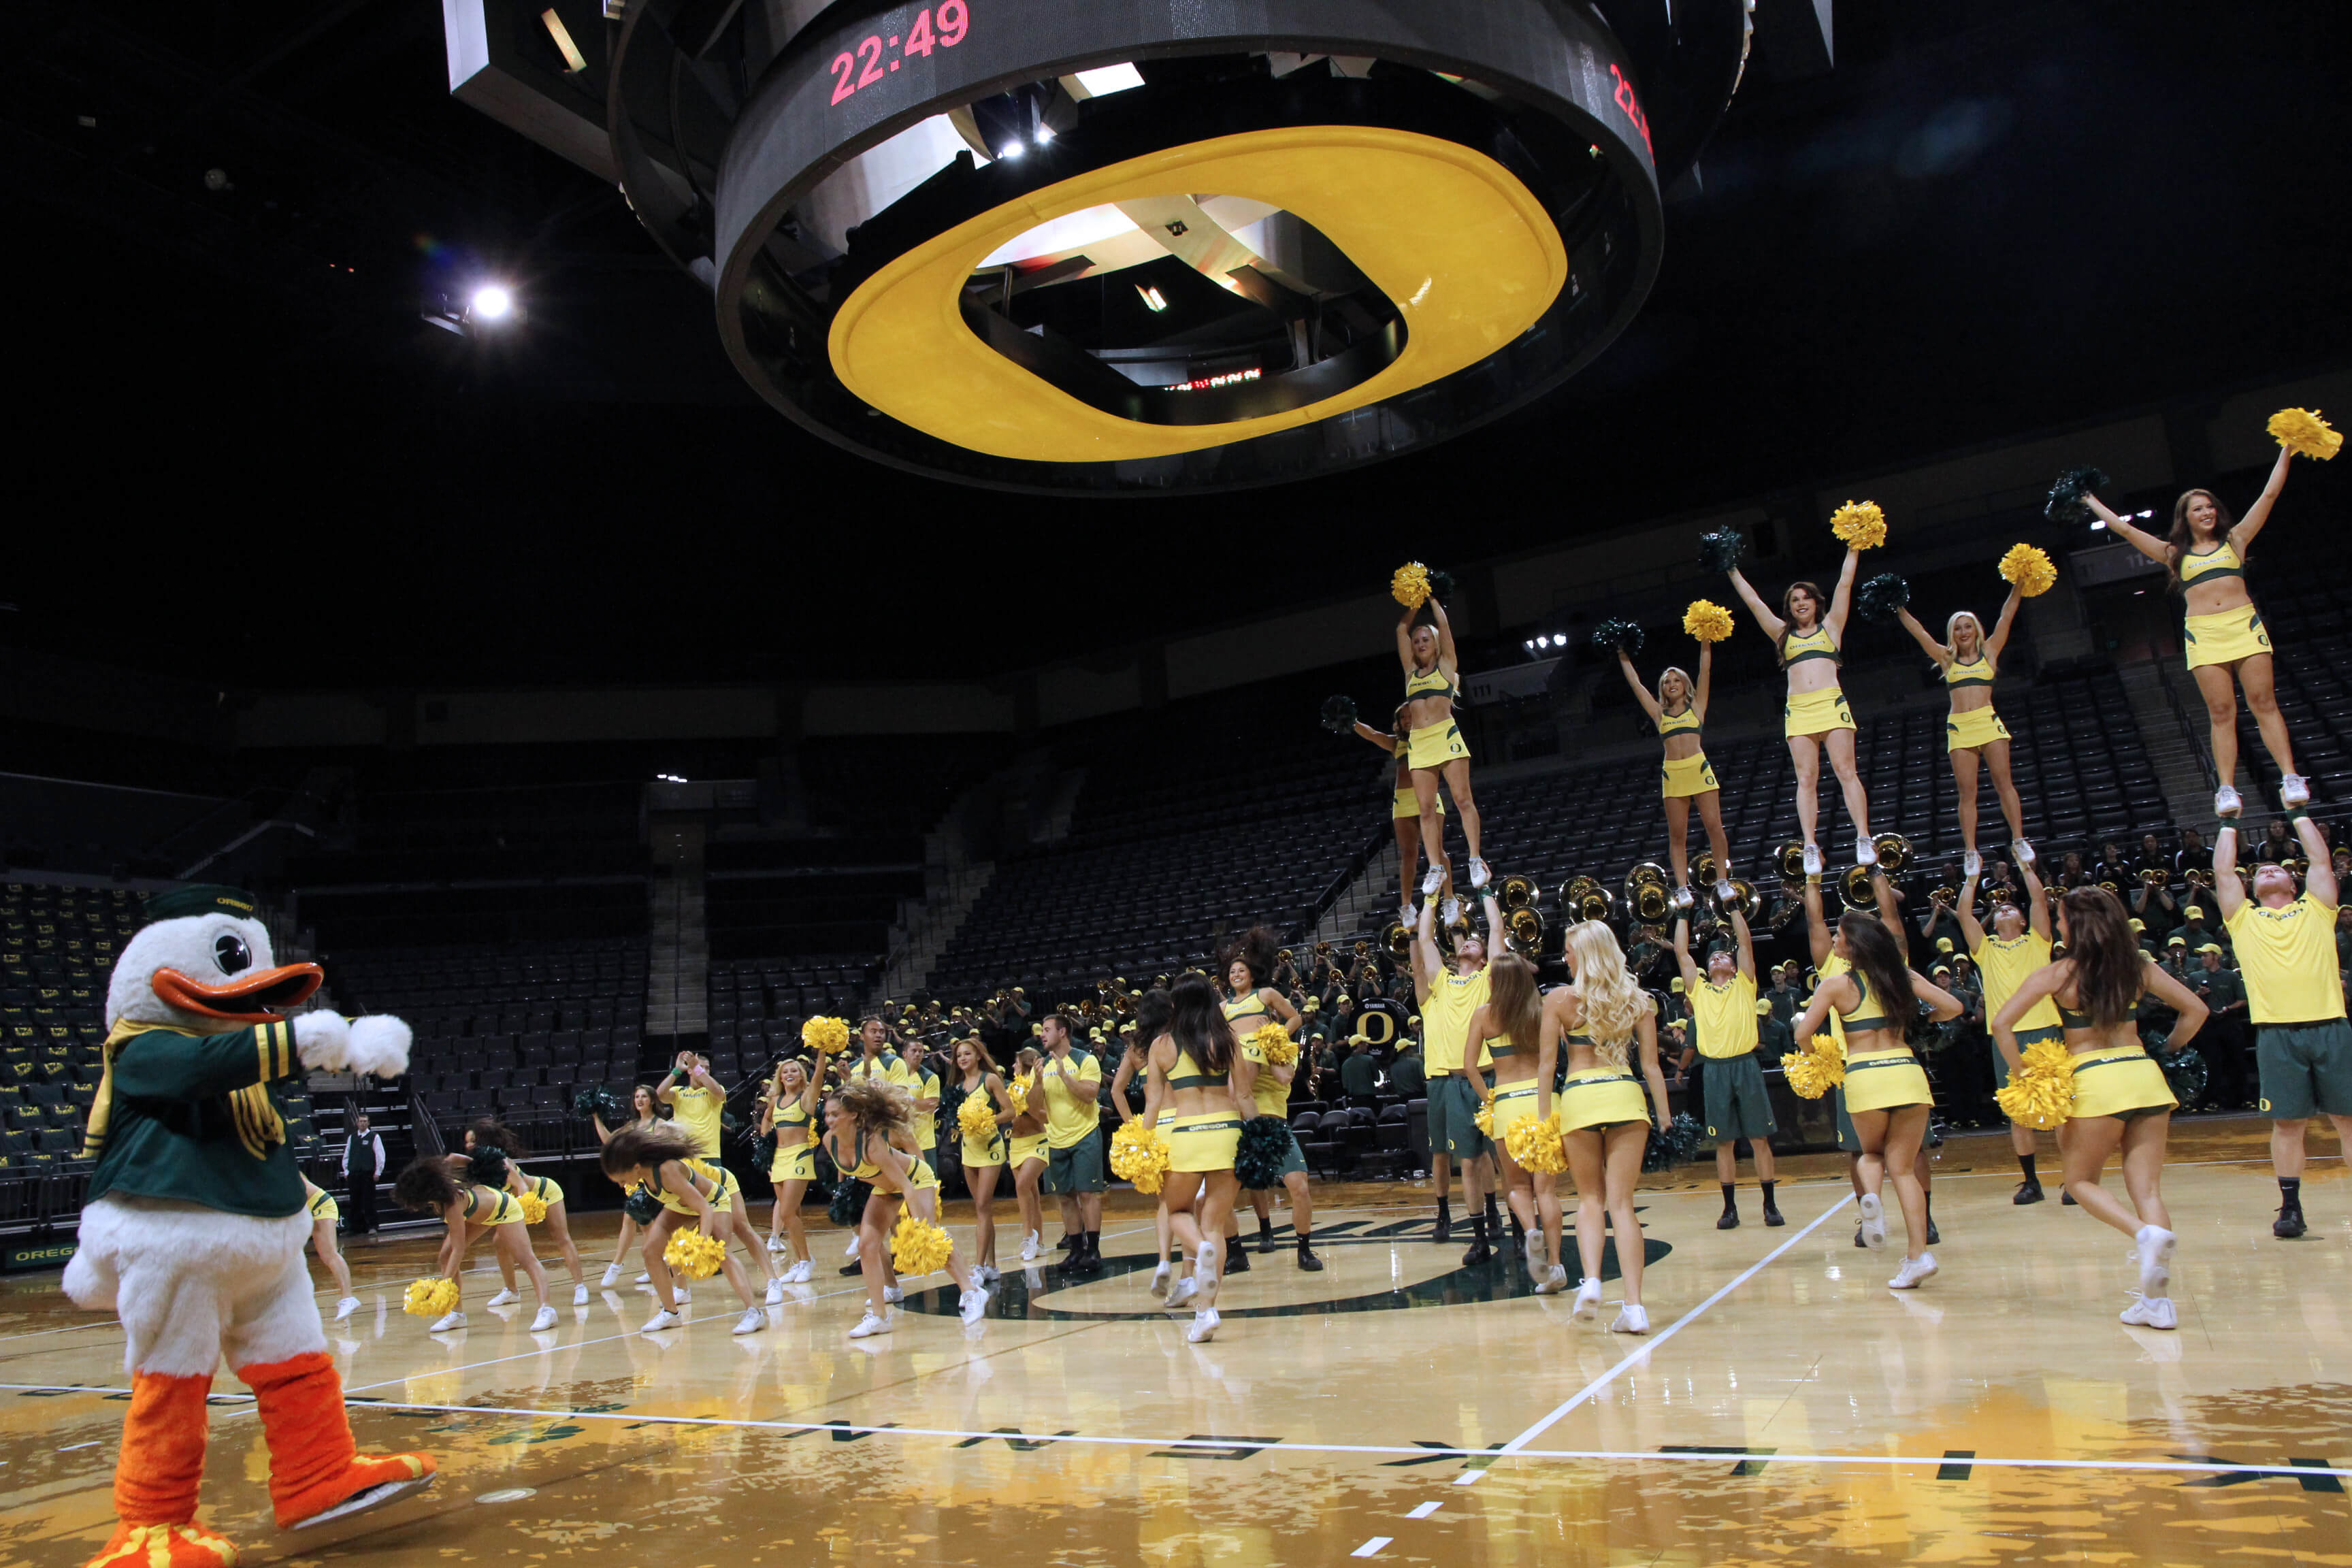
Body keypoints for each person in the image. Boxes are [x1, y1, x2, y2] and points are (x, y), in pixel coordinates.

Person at [1992, 887, 2208, 1328]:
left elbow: (2002, 1023)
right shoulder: (2138, 968)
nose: (2057, 924)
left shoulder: (2059, 974)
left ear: (2075, 923)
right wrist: (2167, 1049)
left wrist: (2026, 1074)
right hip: (2145, 1078)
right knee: (2147, 1190)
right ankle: (2158, 1304)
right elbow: (2196, 1010)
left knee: (2080, 1181)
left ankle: (2142, 1235)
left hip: (2093, 1083)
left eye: (2061, 917)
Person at [2084, 449, 2308, 811]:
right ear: (2185, 518)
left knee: (2264, 702)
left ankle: (2290, 776)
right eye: (2198, 509)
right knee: (2221, 712)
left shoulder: (2236, 540)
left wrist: (2286, 452)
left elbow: (2269, 494)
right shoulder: (2174, 554)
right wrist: (2090, 499)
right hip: (2204, 634)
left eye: (2210, 506)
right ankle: (2226, 789)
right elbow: (2125, 528)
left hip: (2243, 625)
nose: (2207, 512)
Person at [1792, 909, 1964, 1288]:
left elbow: (1803, 1033)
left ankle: (1872, 1200)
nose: (1835, 941)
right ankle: (1919, 1256)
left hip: (1865, 1076)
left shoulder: (1835, 986)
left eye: (1839, 936)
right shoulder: (1902, 977)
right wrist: (1923, 1021)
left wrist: (1820, 1058)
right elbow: (1955, 1008)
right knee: (1903, 1168)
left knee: (1871, 1155)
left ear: (1853, 947)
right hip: (1907, 1073)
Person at [2214, 798, 2351, 1239]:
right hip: (2277, 1034)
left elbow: (2320, 859)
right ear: (2251, 889)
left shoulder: (2317, 908)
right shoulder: (2244, 920)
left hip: (2330, 1025)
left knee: (2349, 1120)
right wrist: (2227, 823)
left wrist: (2297, 814)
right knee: (2288, 1125)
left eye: (2276, 869)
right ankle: (2290, 1208)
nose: (2267, 870)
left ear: (2293, 883)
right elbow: (2222, 872)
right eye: (2259, 872)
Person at [1539, 921, 1673, 1332]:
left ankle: (1593, 1281)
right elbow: (1650, 1066)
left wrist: (1545, 1118)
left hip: (1581, 1099)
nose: (1565, 957)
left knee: (1590, 1200)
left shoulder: (1560, 1000)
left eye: (1568, 950)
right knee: (1623, 1206)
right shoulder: (1641, 1000)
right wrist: (1665, 1117)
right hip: (1626, 1097)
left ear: (1586, 954)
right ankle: (1634, 1308)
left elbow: (1548, 1065)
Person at [1726, 542, 1874, 872]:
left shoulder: (1831, 627)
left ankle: (1863, 836)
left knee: (1846, 771)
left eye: (1806, 597)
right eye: (1795, 599)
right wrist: (1731, 568)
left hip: (1831, 704)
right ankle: (1809, 844)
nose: (1801, 603)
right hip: (1799, 711)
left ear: (1815, 602)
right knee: (1806, 778)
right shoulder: (1782, 635)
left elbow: (1845, 583)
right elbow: (1752, 602)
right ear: (1789, 608)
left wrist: (1853, 546)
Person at [821, 1079, 989, 1339]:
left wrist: (919, 1225)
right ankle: (879, 1318)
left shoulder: (871, 1144)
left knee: (928, 1240)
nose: (829, 1119)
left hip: (914, 1180)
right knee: (867, 1245)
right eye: (827, 1114)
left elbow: (905, 1185)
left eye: (835, 1114)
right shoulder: (828, 1141)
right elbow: (852, 1174)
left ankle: (972, 1292)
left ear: (853, 1115)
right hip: (886, 1189)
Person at [1897, 587, 2030, 875]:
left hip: (1987, 721)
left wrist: (2019, 584)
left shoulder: (1990, 651)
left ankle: (2018, 840)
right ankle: (1971, 851)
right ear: (1952, 633)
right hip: (1960, 727)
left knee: (2004, 784)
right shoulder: (1947, 659)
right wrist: (1898, 607)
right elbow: (1919, 632)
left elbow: (2007, 615)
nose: (1963, 631)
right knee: (1967, 793)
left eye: (1968, 626)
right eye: (1957, 628)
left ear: (1976, 629)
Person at [595, 1124, 775, 1337]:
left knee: (720, 1253)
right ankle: (671, 1313)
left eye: (622, 1180)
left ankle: (754, 1313)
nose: (621, 1185)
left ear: (635, 1167)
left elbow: (704, 1209)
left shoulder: (666, 1171)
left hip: (712, 1202)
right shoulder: (643, 1175)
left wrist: (701, 1242)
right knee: (650, 1251)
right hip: (682, 1207)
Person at [1143, 974, 1246, 1343]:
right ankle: (1206, 1312)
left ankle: (1197, 1247)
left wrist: (1141, 1144)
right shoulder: (1227, 1039)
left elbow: (1154, 1103)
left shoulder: (1162, 1045)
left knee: (1177, 1212)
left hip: (1186, 1135)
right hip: (1227, 1134)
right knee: (1216, 1224)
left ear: (1177, 1005)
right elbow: (1244, 1098)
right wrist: (1263, 1136)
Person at [1958, 855, 2062, 1203]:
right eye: (1999, 908)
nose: (2004, 909)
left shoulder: (2037, 941)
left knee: (2061, 1108)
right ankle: (2032, 1182)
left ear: (2021, 919)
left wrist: (2028, 868)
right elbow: (1963, 915)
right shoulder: (1986, 949)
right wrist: (1972, 879)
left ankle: (2076, 1179)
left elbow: (2037, 900)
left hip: (2045, 1029)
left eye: (2010, 908)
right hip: (2006, 1039)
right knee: (2019, 1113)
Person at [1413, 883, 1507, 1262]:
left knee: (1503, 1157)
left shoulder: (1489, 979)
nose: (1469, 944)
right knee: (1467, 1161)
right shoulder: (1445, 983)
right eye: (1466, 943)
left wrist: (1485, 890)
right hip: (1453, 1081)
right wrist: (1431, 898)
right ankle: (1480, 1237)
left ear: (1484, 959)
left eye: (1475, 943)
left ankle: (1516, 1226)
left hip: (1489, 1076)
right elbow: (1424, 940)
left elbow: (1498, 930)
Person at [1672, 907, 1781, 1228]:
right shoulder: (1700, 989)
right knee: (1724, 1141)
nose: (1717, 958)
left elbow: (1745, 943)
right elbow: (1681, 951)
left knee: (1760, 1138)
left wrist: (1732, 907)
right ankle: (1729, 1209)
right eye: (1713, 957)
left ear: (1734, 967)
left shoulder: (1744, 984)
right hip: (1715, 1070)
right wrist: (1682, 913)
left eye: (1724, 956)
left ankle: (1769, 1205)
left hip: (1745, 1065)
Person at [1463, 952, 1565, 1293]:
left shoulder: (1483, 1016)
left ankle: (1530, 1229)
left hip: (1506, 1103)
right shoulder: (1544, 1010)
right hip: (1543, 1101)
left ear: (1494, 982)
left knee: (1516, 1187)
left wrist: (1488, 1099)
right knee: (1546, 1190)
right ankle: (1556, 1266)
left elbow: (1470, 1067)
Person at [1222, 927, 1319, 1268]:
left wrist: (1270, 1039)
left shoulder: (1267, 1003)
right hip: (1238, 1115)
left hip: (1273, 1122)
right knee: (1223, 1195)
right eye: (1232, 971)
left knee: (1300, 1187)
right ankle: (1236, 1251)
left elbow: (1286, 1071)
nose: (1236, 974)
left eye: (1241, 970)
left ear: (1251, 974)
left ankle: (1304, 1248)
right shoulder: (1223, 1010)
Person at [1616, 640, 1735, 905]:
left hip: (1698, 768)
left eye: (1676, 680)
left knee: (1714, 827)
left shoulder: (1697, 707)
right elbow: (1636, 685)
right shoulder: (1659, 714)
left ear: (1684, 684)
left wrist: (1706, 641)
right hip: (1673, 773)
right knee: (1677, 834)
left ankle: (1723, 880)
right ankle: (1682, 888)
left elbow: (1705, 672)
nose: (1671, 684)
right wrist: (1622, 654)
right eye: (1667, 681)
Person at [390, 1152, 557, 1334]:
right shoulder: (440, 1187)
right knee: (444, 1257)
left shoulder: (451, 1203)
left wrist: (443, 1284)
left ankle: (547, 1310)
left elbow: (459, 1249)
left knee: (526, 1260)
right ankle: (457, 1315)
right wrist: (477, 1164)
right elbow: (453, 1157)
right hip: (481, 1213)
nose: (410, 1207)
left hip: (505, 1209)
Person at [1396, 590, 1488, 894]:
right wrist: (1414, 604)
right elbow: (1400, 630)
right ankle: (1435, 867)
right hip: (1419, 742)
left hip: (1445, 735)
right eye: (1417, 639)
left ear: (1435, 643)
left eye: (1426, 638)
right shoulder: (1410, 673)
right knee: (1425, 810)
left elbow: (1446, 629)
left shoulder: (1446, 666)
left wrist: (1432, 600)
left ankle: (1475, 858)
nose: (1421, 643)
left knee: (1462, 800)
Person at [465, 1121, 589, 1307]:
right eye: (467, 1142)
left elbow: (522, 1187)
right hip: (515, 1204)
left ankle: (580, 1286)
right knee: (499, 1241)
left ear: (484, 1142)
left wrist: (523, 1214)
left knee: (561, 1238)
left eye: (473, 1141)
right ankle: (511, 1291)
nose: (468, 1146)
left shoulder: (503, 1164)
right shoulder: (481, 1164)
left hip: (544, 1192)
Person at [1353, 702, 1453, 922]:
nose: (1407, 720)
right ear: (1398, 723)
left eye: (1411, 716)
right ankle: (1407, 906)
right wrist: (1352, 721)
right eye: (1403, 718)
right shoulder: (1395, 743)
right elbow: (1371, 734)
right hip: (1404, 802)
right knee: (1409, 854)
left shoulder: (1429, 736)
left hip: (1427, 797)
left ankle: (1449, 898)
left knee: (1436, 850)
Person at [1037, 1011, 1106, 1276]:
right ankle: (1075, 1250)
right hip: (1056, 1138)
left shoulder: (1085, 1059)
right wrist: (1036, 1082)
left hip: (1085, 1134)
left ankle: (1094, 1250)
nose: (1042, 1035)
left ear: (1062, 1032)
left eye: (1046, 1029)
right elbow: (1034, 1107)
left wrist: (1065, 1076)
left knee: (1088, 1194)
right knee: (1065, 1197)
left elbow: (1090, 1095)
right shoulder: (1043, 1065)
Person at [757, 1058, 821, 1282]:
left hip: (799, 1156)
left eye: (795, 1070)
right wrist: (765, 1146)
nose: (790, 1073)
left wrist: (822, 1051)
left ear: (802, 1076)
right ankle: (799, 1260)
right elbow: (766, 1120)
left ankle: (807, 1261)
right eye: (786, 1071)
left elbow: (819, 1076)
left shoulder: (807, 1098)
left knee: (786, 1212)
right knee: (793, 1214)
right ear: (781, 1077)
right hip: (778, 1159)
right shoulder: (775, 1100)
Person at [593, 1083, 662, 1289]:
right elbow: (609, 1141)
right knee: (645, 1226)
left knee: (630, 1218)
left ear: (652, 1100)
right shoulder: (632, 1126)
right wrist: (596, 1118)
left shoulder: (660, 1124)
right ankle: (655, 1267)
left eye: (644, 1096)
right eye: (636, 1097)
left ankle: (616, 1265)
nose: (639, 1100)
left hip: (653, 1180)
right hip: (637, 1179)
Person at [1004, 1045, 1051, 1264]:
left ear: (1025, 1064)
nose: (1013, 1066)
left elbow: (1046, 1115)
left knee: (1022, 1186)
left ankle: (1028, 1237)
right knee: (1032, 1194)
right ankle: (1040, 1242)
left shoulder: (1038, 1085)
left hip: (1037, 1142)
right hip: (1016, 1144)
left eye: (1016, 1063)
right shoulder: (1012, 1087)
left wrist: (1030, 1109)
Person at [300, 1175, 361, 1321]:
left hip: (321, 1205)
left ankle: (348, 1299)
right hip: (306, 1211)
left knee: (329, 1254)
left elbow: (299, 1194)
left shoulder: (284, 1170)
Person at [657, 1050, 725, 1159]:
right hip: (684, 1154)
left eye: (707, 1068)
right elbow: (659, 1095)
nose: (704, 1071)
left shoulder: (714, 1091)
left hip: (708, 1154)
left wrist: (696, 1068)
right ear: (689, 1071)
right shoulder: (678, 1092)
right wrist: (677, 1070)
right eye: (700, 1067)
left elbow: (718, 1093)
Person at [899, 1036, 943, 1175]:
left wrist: (908, 1100)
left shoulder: (930, 1077)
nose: (918, 1054)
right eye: (914, 1051)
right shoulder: (895, 1076)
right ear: (905, 1054)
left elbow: (931, 1106)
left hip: (924, 1142)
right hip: (899, 1140)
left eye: (921, 1051)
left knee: (928, 1183)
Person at [338, 1111, 383, 1237]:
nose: (362, 1123)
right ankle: (355, 1228)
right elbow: (346, 1155)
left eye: (365, 1121)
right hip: (354, 1174)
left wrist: (378, 1172)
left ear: (369, 1123)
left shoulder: (374, 1137)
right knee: (355, 1202)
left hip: (368, 1174)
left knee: (368, 1201)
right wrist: (346, 1171)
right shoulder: (352, 1137)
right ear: (357, 1123)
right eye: (361, 1121)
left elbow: (380, 1156)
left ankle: (372, 1226)